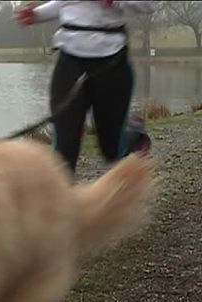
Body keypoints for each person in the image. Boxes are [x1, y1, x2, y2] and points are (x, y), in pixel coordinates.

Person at [13, 0, 154, 174]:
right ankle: (63, 200)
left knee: (112, 150)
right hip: (69, 62)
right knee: (63, 150)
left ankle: (134, 134)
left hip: (111, 61)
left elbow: (148, 5)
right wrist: (36, 14)